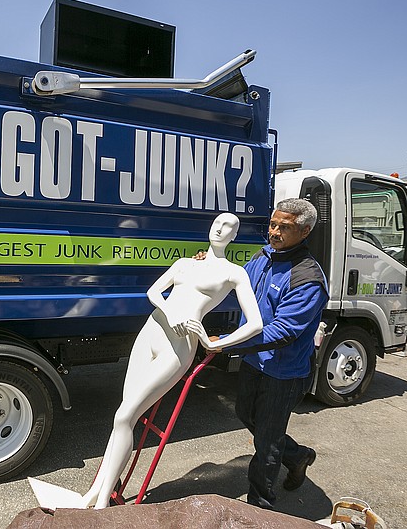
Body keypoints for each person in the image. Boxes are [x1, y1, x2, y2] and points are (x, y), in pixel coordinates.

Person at [74, 212, 264, 509]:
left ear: (235, 235)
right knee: (124, 415)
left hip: (179, 346)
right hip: (151, 331)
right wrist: (172, 312)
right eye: (216, 222)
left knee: (124, 417)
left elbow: (255, 324)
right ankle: (96, 492)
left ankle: (100, 505)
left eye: (228, 225)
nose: (219, 228)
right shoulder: (186, 263)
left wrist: (213, 343)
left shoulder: (234, 273)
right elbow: (153, 291)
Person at [206, 198, 329, 510]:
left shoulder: (307, 278)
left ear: (304, 232)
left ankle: (259, 506)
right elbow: (236, 282)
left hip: (284, 373)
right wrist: (208, 264)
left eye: (284, 228)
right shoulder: (263, 257)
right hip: (253, 361)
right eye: (273, 224)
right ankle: (298, 456)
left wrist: (226, 342)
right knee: (246, 415)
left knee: (267, 443)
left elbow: (283, 331)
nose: (274, 232)